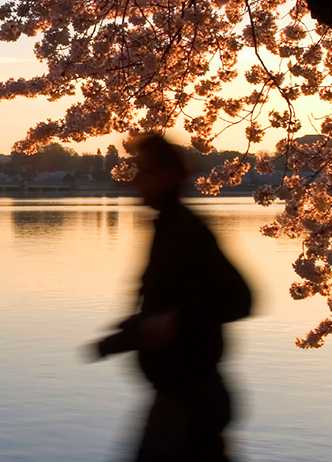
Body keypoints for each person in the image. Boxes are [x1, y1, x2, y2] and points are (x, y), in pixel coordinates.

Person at [91, 133, 252, 462]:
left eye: (144, 171)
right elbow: (171, 305)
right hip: (180, 397)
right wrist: (132, 331)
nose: (135, 179)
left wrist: (174, 320)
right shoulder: (166, 228)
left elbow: (240, 298)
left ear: (167, 176)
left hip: (189, 400)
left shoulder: (186, 230)